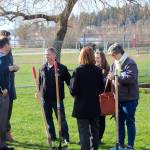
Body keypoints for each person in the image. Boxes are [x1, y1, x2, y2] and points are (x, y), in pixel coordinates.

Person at [70, 46, 104, 150]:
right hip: (94, 105)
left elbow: (73, 90)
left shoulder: (78, 71)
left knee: (84, 132)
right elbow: (101, 89)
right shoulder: (98, 71)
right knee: (95, 131)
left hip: (82, 106)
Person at [107, 43, 139, 150]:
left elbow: (131, 78)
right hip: (117, 99)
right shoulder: (114, 64)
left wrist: (116, 76)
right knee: (119, 122)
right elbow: (110, 75)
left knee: (129, 122)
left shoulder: (130, 63)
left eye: (113, 54)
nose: (112, 57)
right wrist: (109, 78)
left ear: (119, 53)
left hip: (129, 98)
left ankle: (130, 145)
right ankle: (120, 144)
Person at [37, 47, 71, 144]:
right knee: (48, 118)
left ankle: (65, 137)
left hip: (57, 99)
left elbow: (69, 82)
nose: (46, 56)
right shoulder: (42, 68)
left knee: (61, 119)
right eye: (45, 55)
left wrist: (73, 93)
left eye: (48, 54)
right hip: (45, 99)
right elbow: (40, 82)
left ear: (54, 55)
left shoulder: (62, 68)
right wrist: (38, 91)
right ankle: (52, 136)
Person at [0, 30, 19, 141]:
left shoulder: (9, 54)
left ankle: (7, 132)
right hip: (3, 88)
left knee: (8, 110)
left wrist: (13, 68)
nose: (9, 43)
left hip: (10, 85)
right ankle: (4, 135)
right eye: (7, 40)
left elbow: (9, 68)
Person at [0, 38, 14, 150]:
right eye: (9, 43)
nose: (10, 45)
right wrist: (3, 88)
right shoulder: (2, 58)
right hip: (2, 94)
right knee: (2, 119)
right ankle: (2, 145)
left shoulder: (5, 57)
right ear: (5, 45)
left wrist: (11, 69)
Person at [95, 50, 110, 144]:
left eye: (98, 58)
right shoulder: (93, 68)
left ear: (102, 58)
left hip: (103, 98)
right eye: (95, 58)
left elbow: (107, 84)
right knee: (93, 119)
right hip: (94, 97)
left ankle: (99, 138)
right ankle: (92, 137)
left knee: (101, 119)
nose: (96, 60)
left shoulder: (107, 69)